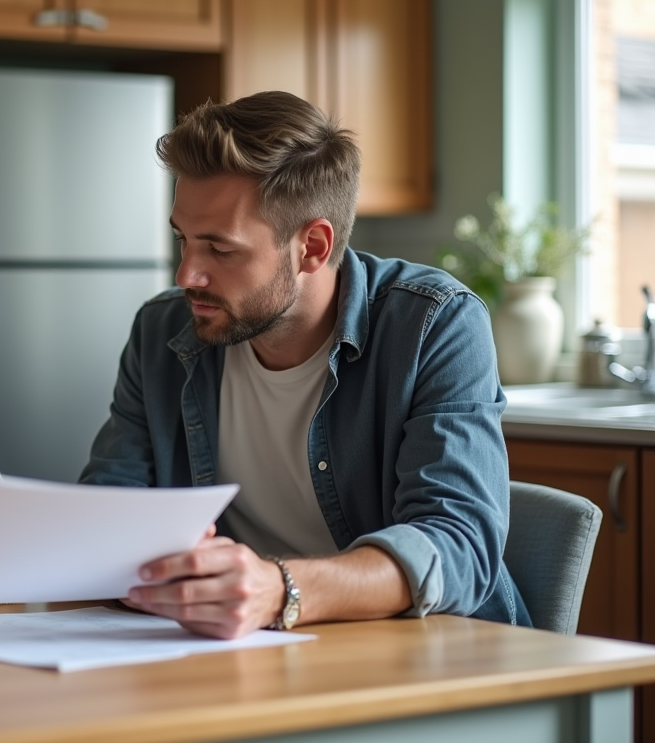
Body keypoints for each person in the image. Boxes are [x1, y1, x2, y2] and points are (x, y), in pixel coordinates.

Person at [80, 91, 530, 638]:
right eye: (184, 240)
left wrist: (278, 590)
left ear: (312, 247)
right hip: (236, 649)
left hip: (423, 648)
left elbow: (460, 547)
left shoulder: (434, 324)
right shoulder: (162, 333)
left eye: (220, 249)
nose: (187, 275)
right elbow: (108, 514)